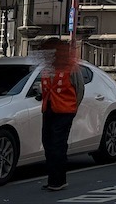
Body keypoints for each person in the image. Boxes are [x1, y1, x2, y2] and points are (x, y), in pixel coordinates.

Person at [39, 38, 84, 192]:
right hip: (49, 109)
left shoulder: (71, 68)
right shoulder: (47, 68)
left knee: (58, 145)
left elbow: (79, 89)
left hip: (64, 111)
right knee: (47, 143)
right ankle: (53, 178)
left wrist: (73, 108)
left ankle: (58, 180)